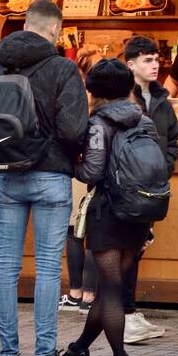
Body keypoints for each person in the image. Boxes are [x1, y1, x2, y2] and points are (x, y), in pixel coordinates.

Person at [0, 0, 89, 356]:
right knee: (47, 268)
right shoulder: (62, 68)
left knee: (6, 266)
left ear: (25, 24)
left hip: (6, 177)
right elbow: (73, 130)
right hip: (51, 176)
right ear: (55, 29)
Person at [61, 59, 168, 356]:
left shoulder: (98, 124)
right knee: (112, 287)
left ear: (93, 92)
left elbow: (92, 171)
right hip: (139, 214)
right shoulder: (143, 119)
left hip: (108, 212)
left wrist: (68, 164)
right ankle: (79, 349)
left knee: (109, 290)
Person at [121, 36, 178, 344]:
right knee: (126, 250)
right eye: (147, 60)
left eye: (156, 59)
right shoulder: (121, 98)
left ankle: (128, 314)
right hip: (127, 186)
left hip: (152, 186)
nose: (154, 64)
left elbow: (172, 136)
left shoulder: (161, 98)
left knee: (137, 248)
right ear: (130, 65)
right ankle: (124, 316)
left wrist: (164, 167)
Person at [63, 45, 103, 314]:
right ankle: (89, 297)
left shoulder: (72, 96)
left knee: (75, 233)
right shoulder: (101, 99)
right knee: (94, 234)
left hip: (76, 170)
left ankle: (75, 293)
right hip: (96, 170)